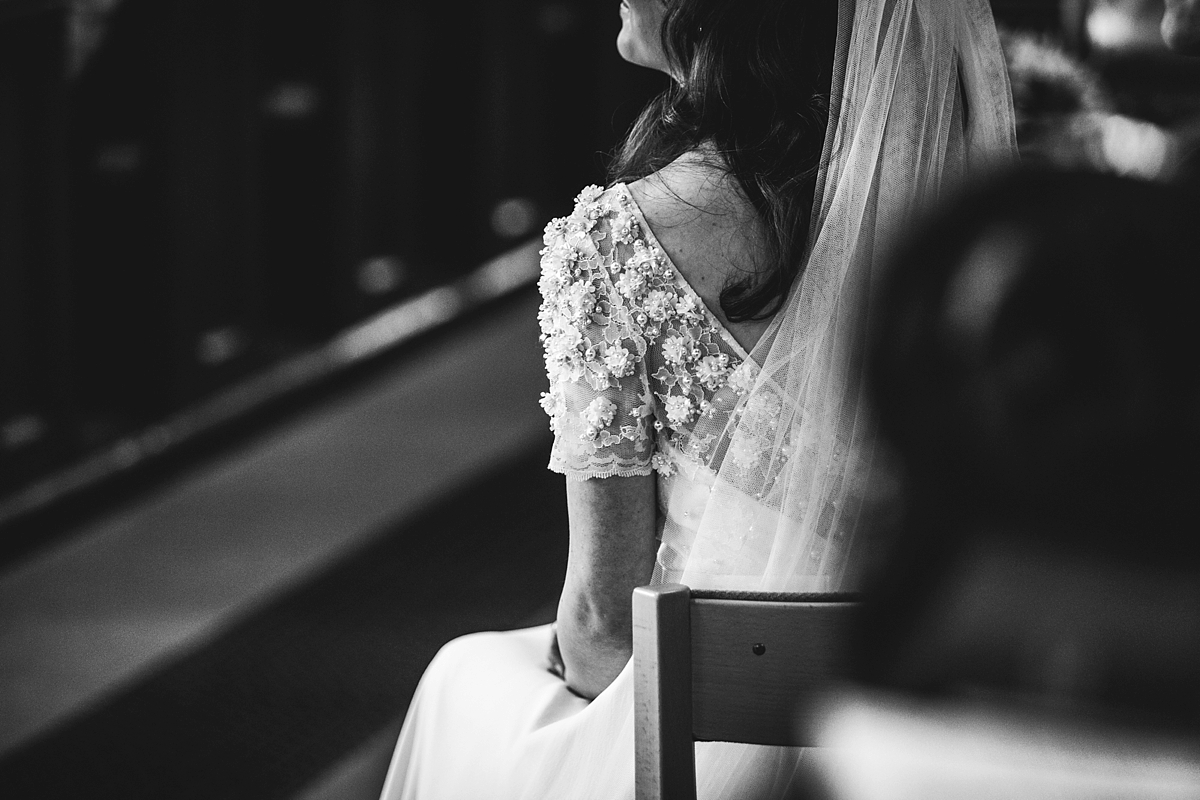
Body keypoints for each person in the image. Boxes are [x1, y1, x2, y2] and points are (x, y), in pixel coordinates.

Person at [380, 1, 1016, 797]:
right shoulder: (980, 226)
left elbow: (605, 623)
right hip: (927, 729)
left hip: (705, 730)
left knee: (460, 679)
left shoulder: (619, 241)